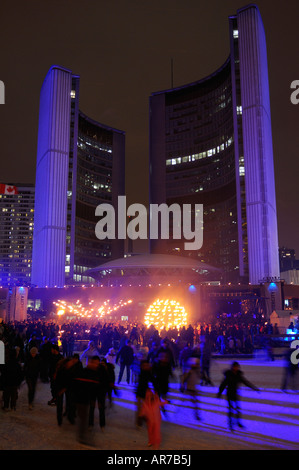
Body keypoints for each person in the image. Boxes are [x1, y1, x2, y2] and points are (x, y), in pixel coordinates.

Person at [217, 361, 259, 431]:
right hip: (229, 393)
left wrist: (254, 388)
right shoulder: (228, 375)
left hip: (235, 394)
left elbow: (246, 382)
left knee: (237, 409)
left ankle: (238, 422)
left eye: (237, 367)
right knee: (230, 409)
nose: (236, 368)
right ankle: (230, 424)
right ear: (232, 367)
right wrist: (219, 393)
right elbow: (223, 384)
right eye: (234, 366)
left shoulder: (239, 375)